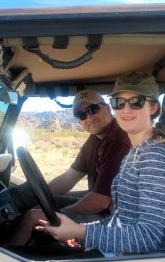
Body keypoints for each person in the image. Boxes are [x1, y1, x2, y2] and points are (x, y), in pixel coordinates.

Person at [36, 72, 165, 255]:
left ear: (153, 107)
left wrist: (79, 231)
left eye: (136, 102)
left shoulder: (156, 157)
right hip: (117, 250)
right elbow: (119, 221)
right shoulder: (135, 152)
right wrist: (79, 230)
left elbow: (148, 237)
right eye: (119, 103)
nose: (126, 109)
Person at [9, 89, 131, 245]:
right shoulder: (95, 140)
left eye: (93, 109)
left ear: (106, 108)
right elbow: (69, 177)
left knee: (33, 217)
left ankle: (4, 260)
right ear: (79, 121)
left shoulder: (118, 141)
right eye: (81, 115)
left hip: (115, 217)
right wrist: (40, 196)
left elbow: (100, 201)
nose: (89, 117)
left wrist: (61, 215)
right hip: (104, 205)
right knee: (38, 206)